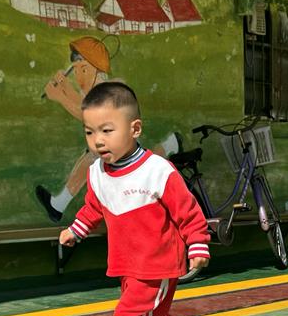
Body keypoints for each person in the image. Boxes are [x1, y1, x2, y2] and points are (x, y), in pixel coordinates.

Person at [57, 82, 213, 316]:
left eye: (107, 130)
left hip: (157, 263)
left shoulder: (157, 171)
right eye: (89, 132)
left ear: (135, 129)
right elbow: (94, 207)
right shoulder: (97, 172)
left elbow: (188, 210)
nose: (98, 140)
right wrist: (76, 230)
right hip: (127, 263)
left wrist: (198, 243)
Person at [36, 36, 180, 223]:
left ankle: (170, 145)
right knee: (114, 164)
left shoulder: (106, 89)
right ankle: (58, 205)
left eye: (82, 69)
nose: (78, 76)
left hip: (120, 144)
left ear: (94, 68)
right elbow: (83, 104)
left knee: (138, 171)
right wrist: (64, 88)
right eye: (76, 70)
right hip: (114, 143)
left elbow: (87, 114)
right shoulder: (94, 89)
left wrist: (60, 96)